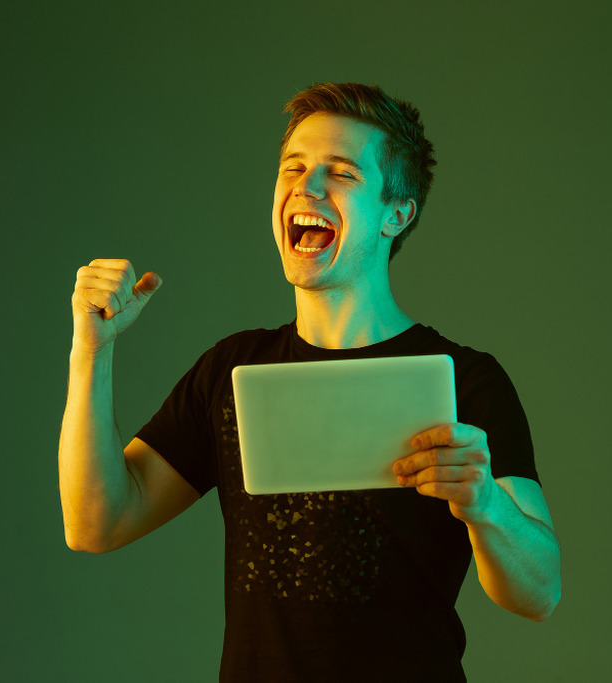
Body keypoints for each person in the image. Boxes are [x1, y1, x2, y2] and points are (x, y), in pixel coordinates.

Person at [58, 82, 561, 682]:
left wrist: (484, 506)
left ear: (395, 214)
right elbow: (96, 523)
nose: (307, 186)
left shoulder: (468, 382)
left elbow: (539, 593)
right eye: (293, 167)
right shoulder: (231, 370)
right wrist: (91, 351)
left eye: (342, 173)